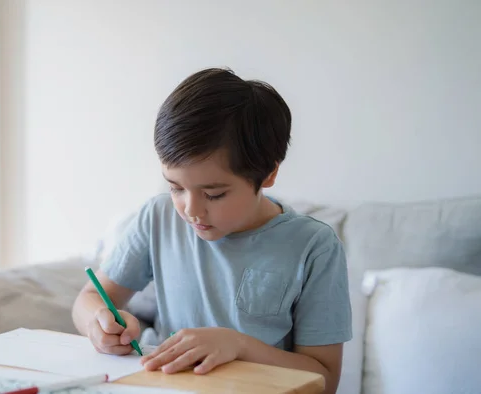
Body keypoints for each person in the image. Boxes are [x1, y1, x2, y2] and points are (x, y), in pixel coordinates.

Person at [72, 67, 352, 393]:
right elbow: (90, 298)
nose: (191, 210)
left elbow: (325, 379)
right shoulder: (158, 217)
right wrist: (99, 324)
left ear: (269, 173)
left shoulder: (313, 246)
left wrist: (239, 346)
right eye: (175, 187)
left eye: (214, 194)